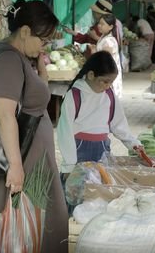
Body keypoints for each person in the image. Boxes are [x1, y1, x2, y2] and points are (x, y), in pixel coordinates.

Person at [0, 0, 68, 253]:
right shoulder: (6, 60)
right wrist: (16, 167)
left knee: (29, 225)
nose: (44, 46)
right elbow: (4, 115)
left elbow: (37, 92)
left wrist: (38, 57)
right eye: (42, 40)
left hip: (32, 156)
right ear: (25, 30)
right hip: (24, 159)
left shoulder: (19, 56)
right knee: (22, 227)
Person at [56, 50, 140, 187]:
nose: (107, 86)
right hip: (78, 152)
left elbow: (119, 124)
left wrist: (133, 143)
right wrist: (69, 165)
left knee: (101, 193)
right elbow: (65, 133)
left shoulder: (110, 95)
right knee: (77, 195)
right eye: (104, 81)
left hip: (102, 151)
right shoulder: (74, 95)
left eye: (110, 83)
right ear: (90, 75)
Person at [92, 13, 123, 98]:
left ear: (111, 27)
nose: (99, 26)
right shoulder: (104, 37)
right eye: (99, 23)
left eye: (102, 24)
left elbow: (104, 59)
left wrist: (94, 52)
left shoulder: (109, 41)